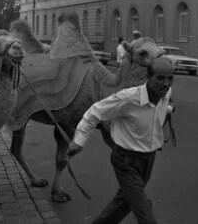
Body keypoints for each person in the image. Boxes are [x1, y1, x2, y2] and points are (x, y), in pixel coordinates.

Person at [68, 57, 175, 224]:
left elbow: (160, 107)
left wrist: (169, 109)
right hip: (126, 161)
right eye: (160, 78)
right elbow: (95, 112)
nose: (166, 83)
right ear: (148, 77)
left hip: (149, 159)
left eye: (170, 78)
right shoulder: (129, 98)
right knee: (145, 215)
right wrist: (78, 141)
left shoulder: (166, 93)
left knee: (123, 203)